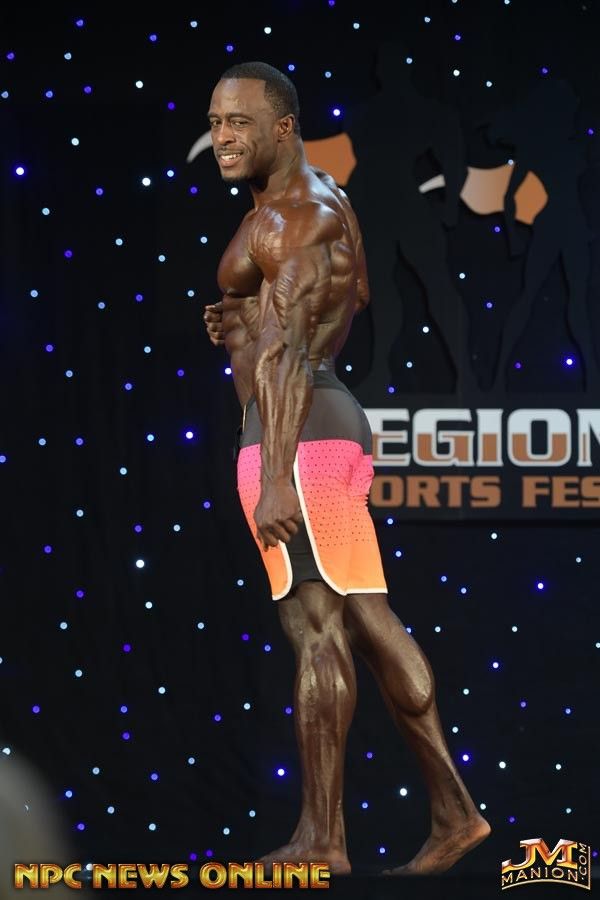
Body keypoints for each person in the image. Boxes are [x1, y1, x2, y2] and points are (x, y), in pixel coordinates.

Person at [202, 61, 490, 876]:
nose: (222, 138)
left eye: (239, 123)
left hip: (297, 437)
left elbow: (291, 353)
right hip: (313, 427)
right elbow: (316, 312)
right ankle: (455, 813)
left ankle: (322, 839)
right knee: (365, 619)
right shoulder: (312, 205)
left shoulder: (298, 216)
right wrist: (239, 322)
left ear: (284, 127)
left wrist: (277, 475)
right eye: (214, 123)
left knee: (318, 628)